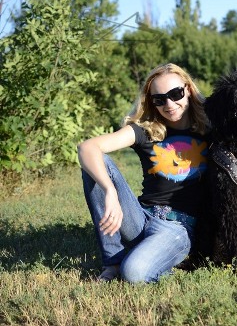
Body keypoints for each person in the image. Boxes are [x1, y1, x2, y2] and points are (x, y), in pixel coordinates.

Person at [78, 63, 210, 283]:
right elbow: (87, 148)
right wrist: (109, 191)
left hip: (178, 227)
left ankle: (149, 259)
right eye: (159, 99)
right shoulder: (146, 130)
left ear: (188, 89)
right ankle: (113, 261)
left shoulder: (210, 126)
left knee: (135, 274)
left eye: (175, 94)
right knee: (96, 164)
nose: (169, 104)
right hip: (140, 218)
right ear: (152, 101)